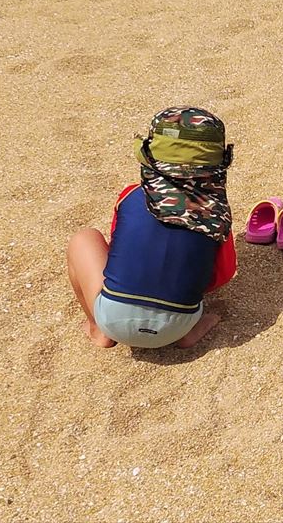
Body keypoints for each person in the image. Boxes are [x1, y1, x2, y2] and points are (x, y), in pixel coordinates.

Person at [67, 107, 237, 349]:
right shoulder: (217, 210)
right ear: (219, 161)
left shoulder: (131, 195)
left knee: (84, 239)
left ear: (149, 154)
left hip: (114, 319)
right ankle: (185, 335)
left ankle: (98, 329)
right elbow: (223, 275)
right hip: (181, 320)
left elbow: (120, 250)